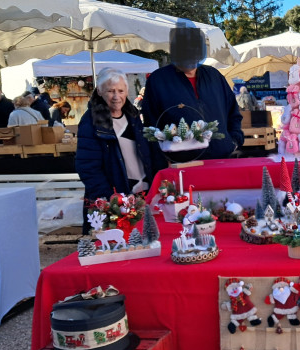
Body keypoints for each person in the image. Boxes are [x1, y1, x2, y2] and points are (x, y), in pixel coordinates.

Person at [142, 21, 244, 171]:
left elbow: (233, 113)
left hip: (221, 160)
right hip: (181, 167)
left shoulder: (215, 77)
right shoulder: (158, 81)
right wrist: (163, 162)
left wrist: (234, 140)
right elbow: (151, 127)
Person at [76, 67, 152, 210]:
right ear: (99, 91)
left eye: (121, 91)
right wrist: (109, 199)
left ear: (127, 92)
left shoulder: (133, 115)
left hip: (142, 193)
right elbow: (88, 167)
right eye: (110, 91)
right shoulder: (91, 122)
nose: (116, 97)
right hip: (115, 199)